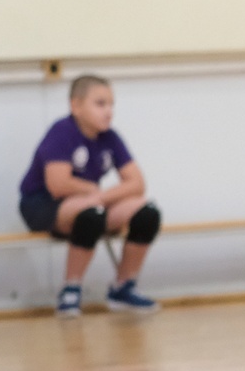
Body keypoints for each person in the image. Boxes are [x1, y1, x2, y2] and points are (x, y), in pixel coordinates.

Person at [19, 75, 162, 317]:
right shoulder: (62, 131)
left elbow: (137, 183)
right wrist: (96, 194)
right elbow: (58, 185)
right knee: (91, 214)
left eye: (111, 104)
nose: (108, 111)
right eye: (100, 104)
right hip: (41, 203)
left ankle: (123, 287)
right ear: (76, 106)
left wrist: (101, 196)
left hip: (90, 201)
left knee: (148, 213)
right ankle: (71, 289)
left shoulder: (110, 138)